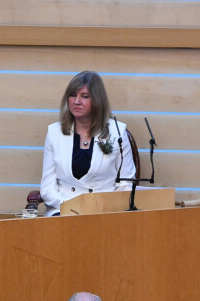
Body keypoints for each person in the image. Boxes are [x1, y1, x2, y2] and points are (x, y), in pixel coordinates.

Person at [40, 71, 137, 216]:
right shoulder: (54, 132)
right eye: (73, 95)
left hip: (104, 212)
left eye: (84, 96)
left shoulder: (118, 132)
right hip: (64, 210)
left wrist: (104, 208)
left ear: (97, 101)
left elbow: (126, 183)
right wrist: (71, 208)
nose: (76, 101)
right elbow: (47, 189)